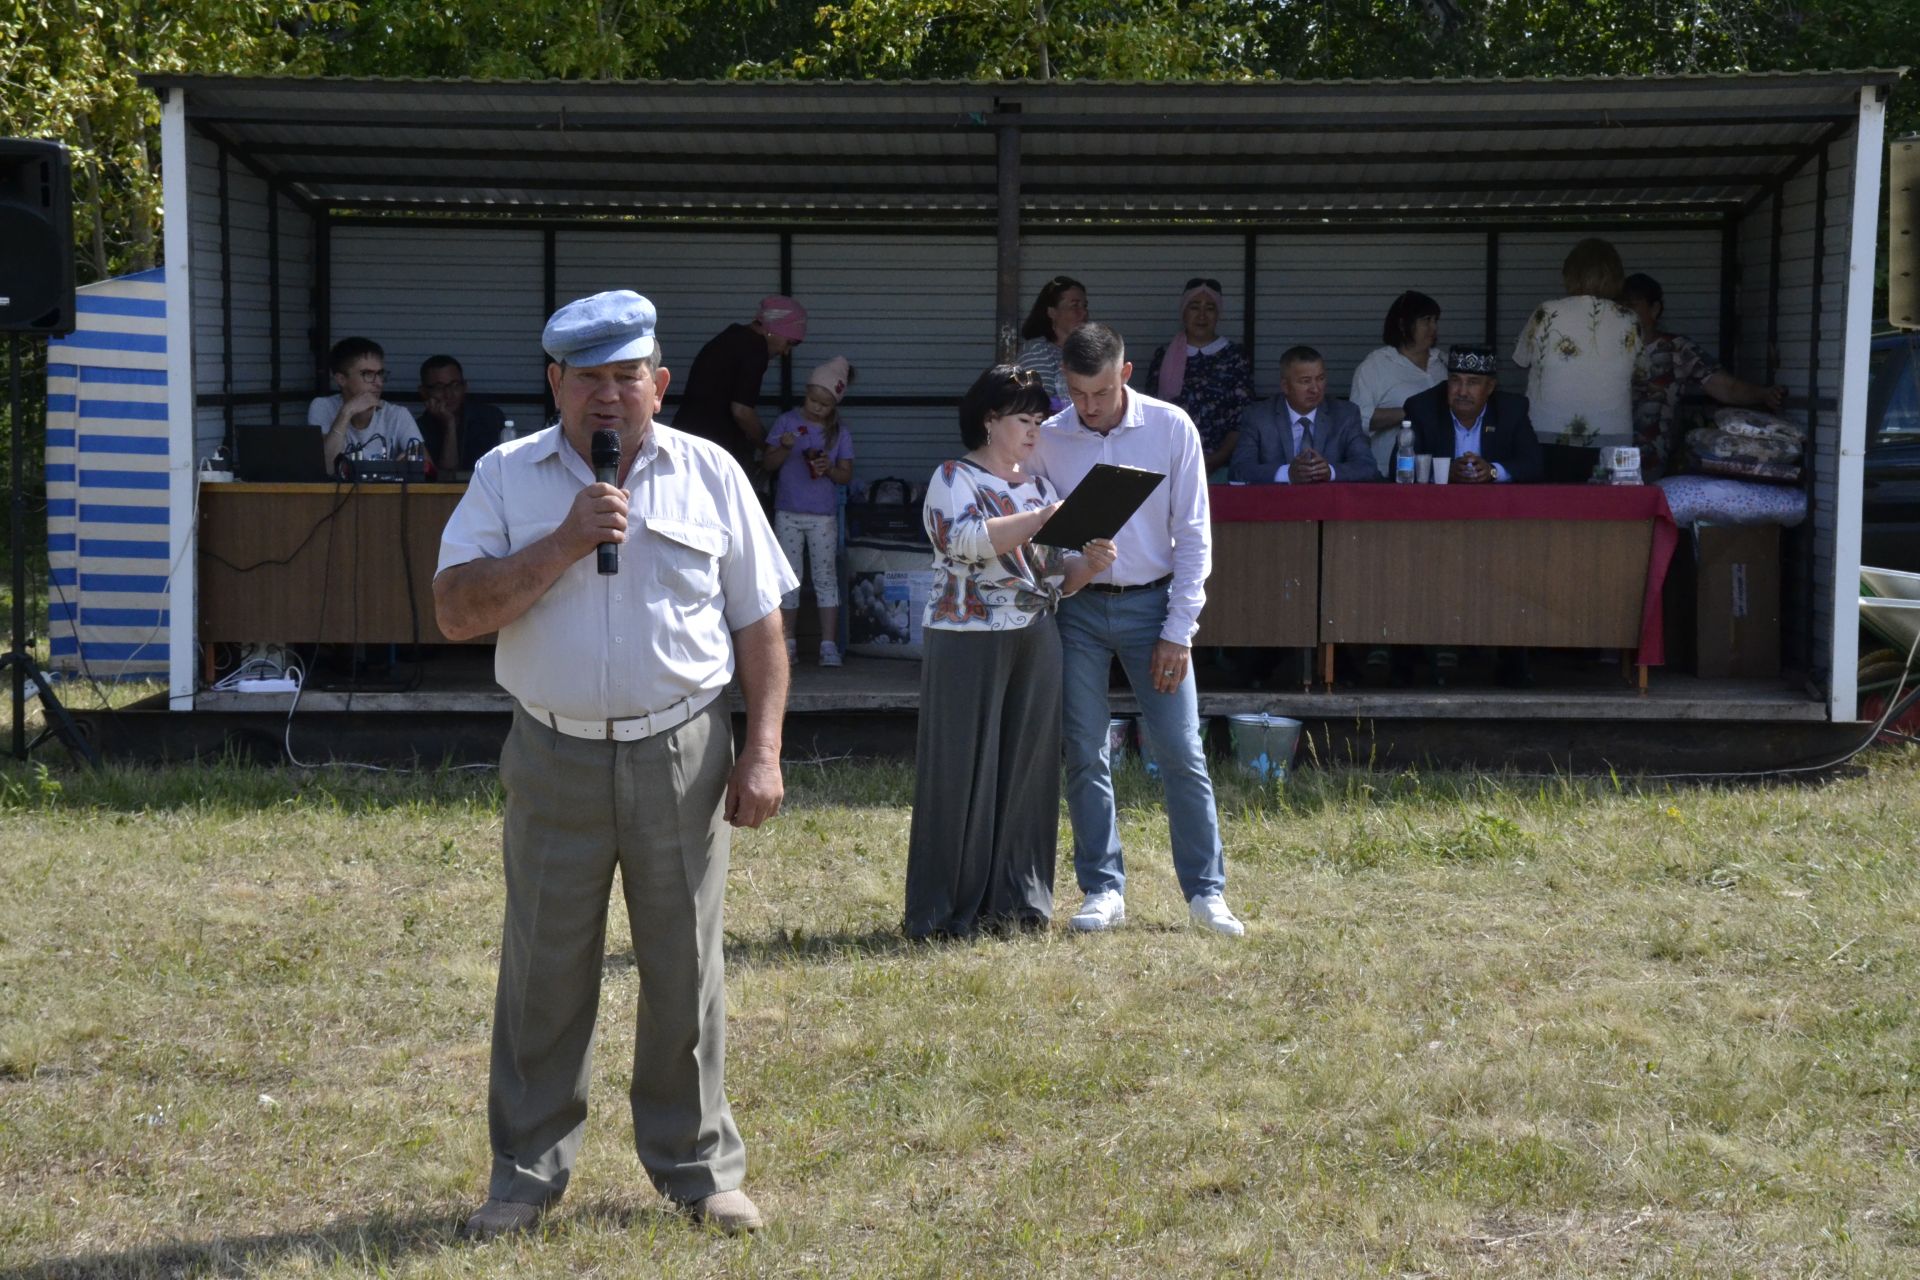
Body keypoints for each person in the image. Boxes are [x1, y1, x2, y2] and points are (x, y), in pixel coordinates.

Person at [433, 290, 795, 1242]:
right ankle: (522, 1177)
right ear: (554, 383)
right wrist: (563, 541)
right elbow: (456, 610)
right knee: (545, 969)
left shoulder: (712, 473)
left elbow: (760, 622)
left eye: (625, 375)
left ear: (659, 383)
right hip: (553, 751)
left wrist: (761, 750)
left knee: (686, 966)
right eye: (587, 376)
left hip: (683, 749)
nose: (607, 395)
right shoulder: (507, 478)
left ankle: (699, 1169)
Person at [1031, 323, 1245, 938]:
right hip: (1076, 608)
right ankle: (1102, 888)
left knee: (1181, 749)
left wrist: (1180, 630)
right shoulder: (1049, 437)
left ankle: (1207, 894)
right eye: (1075, 392)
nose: (1087, 406)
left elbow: (1196, 536)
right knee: (1084, 751)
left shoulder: (1172, 427)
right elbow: (1041, 540)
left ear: (1125, 374)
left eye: (1098, 392)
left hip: (1155, 608)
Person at [904, 366, 1117, 940]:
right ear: (989, 421)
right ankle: (944, 912)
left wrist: (1088, 567)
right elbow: (964, 540)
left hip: (1036, 633)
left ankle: (1019, 904)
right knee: (960, 771)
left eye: (1038, 421)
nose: (1034, 431)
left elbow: (1051, 577)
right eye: (1023, 420)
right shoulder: (953, 476)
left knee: (1028, 769)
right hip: (965, 638)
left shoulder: (1042, 488)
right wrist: (1043, 519)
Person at [1621, 272, 1788, 478]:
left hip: (1653, 464)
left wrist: (1763, 394)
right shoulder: (1607, 349)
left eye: (1633, 305)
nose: (1625, 312)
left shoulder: (1677, 350)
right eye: (1620, 306)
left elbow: (1725, 387)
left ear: (1654, 309)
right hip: (1607, 458)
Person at [1512, 237, 1641, 483]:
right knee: (1613, 510)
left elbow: (1521, 358)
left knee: (1550, 507)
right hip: (1613, 436)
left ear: (1570, 273)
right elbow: (1641, 372)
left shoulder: (1547, 312)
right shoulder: (1630, 319)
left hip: (1547, 432)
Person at [763, 356, 857, 668]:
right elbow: (768, 464)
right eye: (813, 399)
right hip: (787, 511)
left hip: (823, 515)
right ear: (806, 393)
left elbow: (846, 475)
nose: (816, 408)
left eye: (824, 404)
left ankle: (827, 645)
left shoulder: (839, 433)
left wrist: (828, 468)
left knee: (825, 577)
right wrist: (785, 447)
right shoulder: (787, 422)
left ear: (834, 406)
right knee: (788, 578)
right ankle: (786, 643)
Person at [673, 295, 809, 473]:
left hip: (685, 438)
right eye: (788, 343)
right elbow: (742, 411)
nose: (785, 352)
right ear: (774, 329)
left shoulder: (734, 335)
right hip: (710, 449)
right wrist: (767, 446)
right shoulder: (754, 349)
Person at [1142, 278, 1254, 479]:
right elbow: (1152, 412)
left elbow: (1241, 418)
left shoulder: (1234, 357)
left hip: (1222, 465)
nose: (1202, 315)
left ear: (1218, 313)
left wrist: (1217, 458)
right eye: (1194, 307)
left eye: (1210, 308)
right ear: (1184, 311)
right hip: (1173, 463)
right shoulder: (1165, 355)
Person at [1230, 345, 1380, 484]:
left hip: (1329, 506)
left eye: (1320, 379)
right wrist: (1287, 474)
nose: (1315, 389)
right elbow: (1239, 470)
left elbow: (1367, 467)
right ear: (1285, 386)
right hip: (1275, 506)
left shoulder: (1345, 414)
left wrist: (1330, 472)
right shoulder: (1258, 416)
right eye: (1305, 381)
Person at [1404, 345, 1543, 484]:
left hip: (1494, 502)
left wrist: (1492, 471)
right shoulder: (1422, 408)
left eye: (1472, 382)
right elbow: (1399, 467)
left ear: (1490, 387)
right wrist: (1445, 472)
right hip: (1438, 502)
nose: (1462, 392)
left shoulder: (1511, 410)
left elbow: (1534, 465)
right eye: (1455, 380)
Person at [1349, 290, 1448, 475]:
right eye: (1426, 320)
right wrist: (1412, 412)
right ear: (1403, 324)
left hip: (1439, 473)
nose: (1433, 327)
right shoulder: (1375, 365)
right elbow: (1356, 419)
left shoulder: (1443, 362)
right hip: (1389, 473)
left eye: (1435, 320)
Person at [307, 336, 424, 474]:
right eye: (367, 374)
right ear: (341, 379)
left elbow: (425, 465)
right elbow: (327, 468)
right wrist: (347, 412)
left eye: (380, 374)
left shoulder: (397, 414)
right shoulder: (322, 406)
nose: (378, 383)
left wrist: (407, 462)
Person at [416, 354, 506, 479]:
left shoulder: (490, 418)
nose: (449, 394)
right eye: (439, 387)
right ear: (424, 392)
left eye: (455, 385)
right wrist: (450, 425)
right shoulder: (418, 430)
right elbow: (446, 477)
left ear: (465, 387)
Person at [1014, 275, 1089, 404]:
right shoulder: (1037, 351)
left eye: (1085, 306)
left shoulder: (1086, 351)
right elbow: (1038, 406)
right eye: (1074, 306)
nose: (1083, 312)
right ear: (1051, 312)